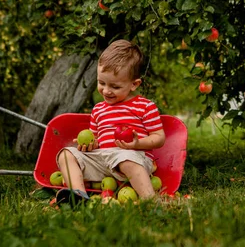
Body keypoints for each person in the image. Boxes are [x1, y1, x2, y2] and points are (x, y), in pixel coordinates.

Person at [56, 40, 166, 202]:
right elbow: (96, 139)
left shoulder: (145, 106)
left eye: (114, 86)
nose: (106, 91)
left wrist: (137, 144)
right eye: (101, 83)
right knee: (66, 154)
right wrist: (89, 145)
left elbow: (159, 138)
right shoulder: (98, 109)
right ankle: (78, 195)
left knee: (126, 158)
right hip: (102, 159)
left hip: (132, 158)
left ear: (134, 84)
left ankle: (150, 200)